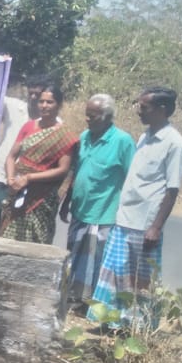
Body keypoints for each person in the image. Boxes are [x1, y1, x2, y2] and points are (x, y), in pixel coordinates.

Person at [88, 87, 182, 331]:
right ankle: (112, 323)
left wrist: (155, 227)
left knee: (139, 281)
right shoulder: (144, 136)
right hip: (124, 218)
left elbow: (172, 190)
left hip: (145, 224)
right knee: (117, 274)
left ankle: (137, 328)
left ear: (162, 109)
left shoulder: (175, 144)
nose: (139, 111)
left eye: (144, 107)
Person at [59, 94, 136, 316]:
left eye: (92, 116)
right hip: (81, 209)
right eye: (86, 115)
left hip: (105, 212)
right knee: (75, 257)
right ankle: (75, 299)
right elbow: (77, 171)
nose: (87, 120)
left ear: (106, 117)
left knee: (97, 261)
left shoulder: (122, 141)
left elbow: (131, 177)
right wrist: (66, 202)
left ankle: (91, 305)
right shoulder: (84, 137)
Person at [0, 85, 78, 244]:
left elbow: (63, 170)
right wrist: (10, 178)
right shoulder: (28, 127)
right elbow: (11, 157)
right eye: (41, 102)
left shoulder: (65, 136)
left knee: (36, 241)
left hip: (42, 197)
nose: (44, 106)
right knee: (8, 239)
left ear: (59, 105)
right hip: (18, 190)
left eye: (50, 102)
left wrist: (29, 178)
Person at [0, 95, 30, 236]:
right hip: (3, 176)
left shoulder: (51, 122)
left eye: (39, 94)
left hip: (27, 182)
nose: (34, 97)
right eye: (31, 93)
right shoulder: (14, 106)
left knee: (14, 227)